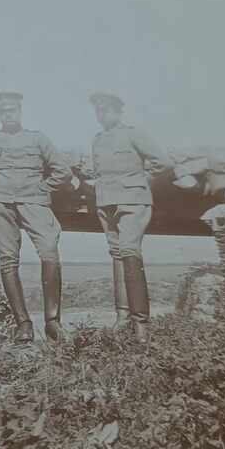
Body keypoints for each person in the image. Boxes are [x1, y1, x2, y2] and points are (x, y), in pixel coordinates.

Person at [0, 91, 72, 343]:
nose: (8, 114)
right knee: (8, 260)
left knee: (49, 253)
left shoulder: (37, 138)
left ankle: (52, 322)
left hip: (34, 201)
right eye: (3, 111)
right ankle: (23, 324)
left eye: (12, 109)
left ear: (20, 110)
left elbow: (62, 171)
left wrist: (43, 188)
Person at [87, 92, 172, 342]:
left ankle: (141, 324)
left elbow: (164, 163)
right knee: (116, 254)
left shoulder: (133, 133)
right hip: (106, 202)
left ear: (118, 111)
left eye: (106, 110)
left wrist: (141, 183)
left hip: (133, 201)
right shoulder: (98, 139)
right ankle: (122, 317)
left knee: (129, 251)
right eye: (98, 111)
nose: (102, 115)